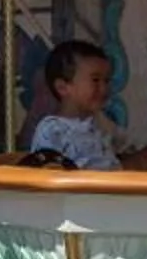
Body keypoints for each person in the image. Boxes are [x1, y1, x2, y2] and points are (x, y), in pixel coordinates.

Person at [30, 40, 123, 170]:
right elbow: (47, 172)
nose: (104, 88)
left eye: (106, 81)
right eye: (95, 80)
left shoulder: (100, 124)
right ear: (63, 88)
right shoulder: (53, 130)